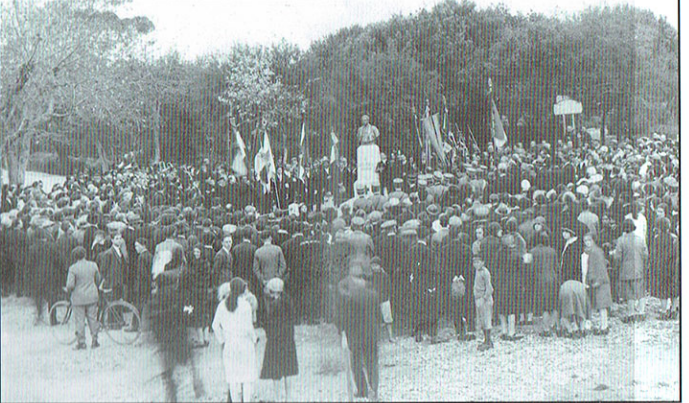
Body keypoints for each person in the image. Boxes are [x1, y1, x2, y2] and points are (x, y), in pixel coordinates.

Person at [337, 259, 380, 401]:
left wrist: (341, 330)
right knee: (372, 362)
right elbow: (378, 315)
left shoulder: (347, 294)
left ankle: (363, 390)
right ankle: (374, 389)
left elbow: (342, 314)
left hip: (354, 333)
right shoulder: (372, 293)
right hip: (371, 332)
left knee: (356, 361)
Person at [212, 277, 259, 403]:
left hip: (230, 344)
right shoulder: (245, 306)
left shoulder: (222, 305)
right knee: (247, 378)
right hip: (245, 344)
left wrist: (222, 340)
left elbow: (215, 326)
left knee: (233, 379)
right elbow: (249, 327)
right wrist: (255, 339)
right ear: (242, 290)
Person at [260, 278, 298, 402]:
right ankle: (289, 398)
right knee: (288, 370)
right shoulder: (289, 300)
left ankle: (277, 398)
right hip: (288, 340)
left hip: (275, 341)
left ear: (275, 292)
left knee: (275, 372)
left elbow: (267, 321)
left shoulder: (273, 304)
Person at [65, 246, 102, 350]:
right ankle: (95, 340)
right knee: (93, 319)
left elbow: (70, 285)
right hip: (92, 296)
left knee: (80, 320)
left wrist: (68, 290)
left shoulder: (73, 268)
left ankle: (81, 343)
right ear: (85, 254)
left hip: (78, 298)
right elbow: (98, 279)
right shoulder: (93, 265)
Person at [612, 218, 649, 323]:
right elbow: (646, 254)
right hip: (639, 268)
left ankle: (631, 313)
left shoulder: (621, 240)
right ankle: (641, 312)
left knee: (629, 293)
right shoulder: (640, 239)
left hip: (625, 270)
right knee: (640, 291)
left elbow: (618, 257)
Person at [582, 232, 612, 335]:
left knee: (602, 305)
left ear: (593, 240)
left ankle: (604, 326)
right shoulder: (594, 251)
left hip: (600, 282)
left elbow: (599, 268)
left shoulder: (595, 252)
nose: (587, 243)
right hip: (598, 281)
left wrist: (596, 280)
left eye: (589, 240)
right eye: (585, 241)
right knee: (600, 305)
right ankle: (603, 325)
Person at [369, 256, 394, 342]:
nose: (374, 267)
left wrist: (387, 296)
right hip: (374, 300)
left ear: (380, 266)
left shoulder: (384, 275)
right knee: (375, 319)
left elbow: (389, 286)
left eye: (376, 265)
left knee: (388, 319)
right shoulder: (370, 277)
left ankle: (390, 336)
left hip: (384, 299)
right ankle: (376, 338)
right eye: (372, 266)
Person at [473, 254, 494, 351]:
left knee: (486, 320)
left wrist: (484, 297)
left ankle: (488, 341)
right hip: (478, 298)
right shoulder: (477, 272)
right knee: (482, 320)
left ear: (483, 262)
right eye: (474, 262)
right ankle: (486, 339)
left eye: (478, 262)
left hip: (484, 299)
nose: (476, 264)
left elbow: (489, 287)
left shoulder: (485, 272)